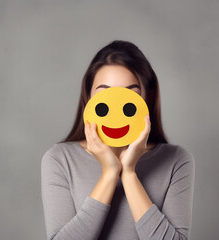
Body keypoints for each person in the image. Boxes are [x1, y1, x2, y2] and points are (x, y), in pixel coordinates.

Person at [41, 40, 195, 240]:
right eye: (105, 96)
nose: (116, 112)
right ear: (89, 98)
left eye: (130, 97)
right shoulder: (60, 159)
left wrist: (129, 173)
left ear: (147, 99)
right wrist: (110, 173)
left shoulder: (176, 160)